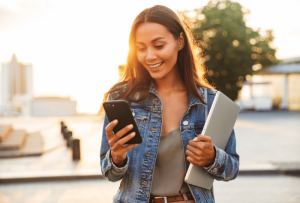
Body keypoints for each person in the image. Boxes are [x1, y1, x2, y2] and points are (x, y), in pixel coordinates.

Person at [100, 5, 239, 203]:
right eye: (141, 48)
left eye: (158, 46)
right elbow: (110, 173)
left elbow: (232, 169)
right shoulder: (122, 98)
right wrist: (116, 156)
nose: (149, 56)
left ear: (179, 41)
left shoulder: (210, 102)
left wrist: (212, 157)